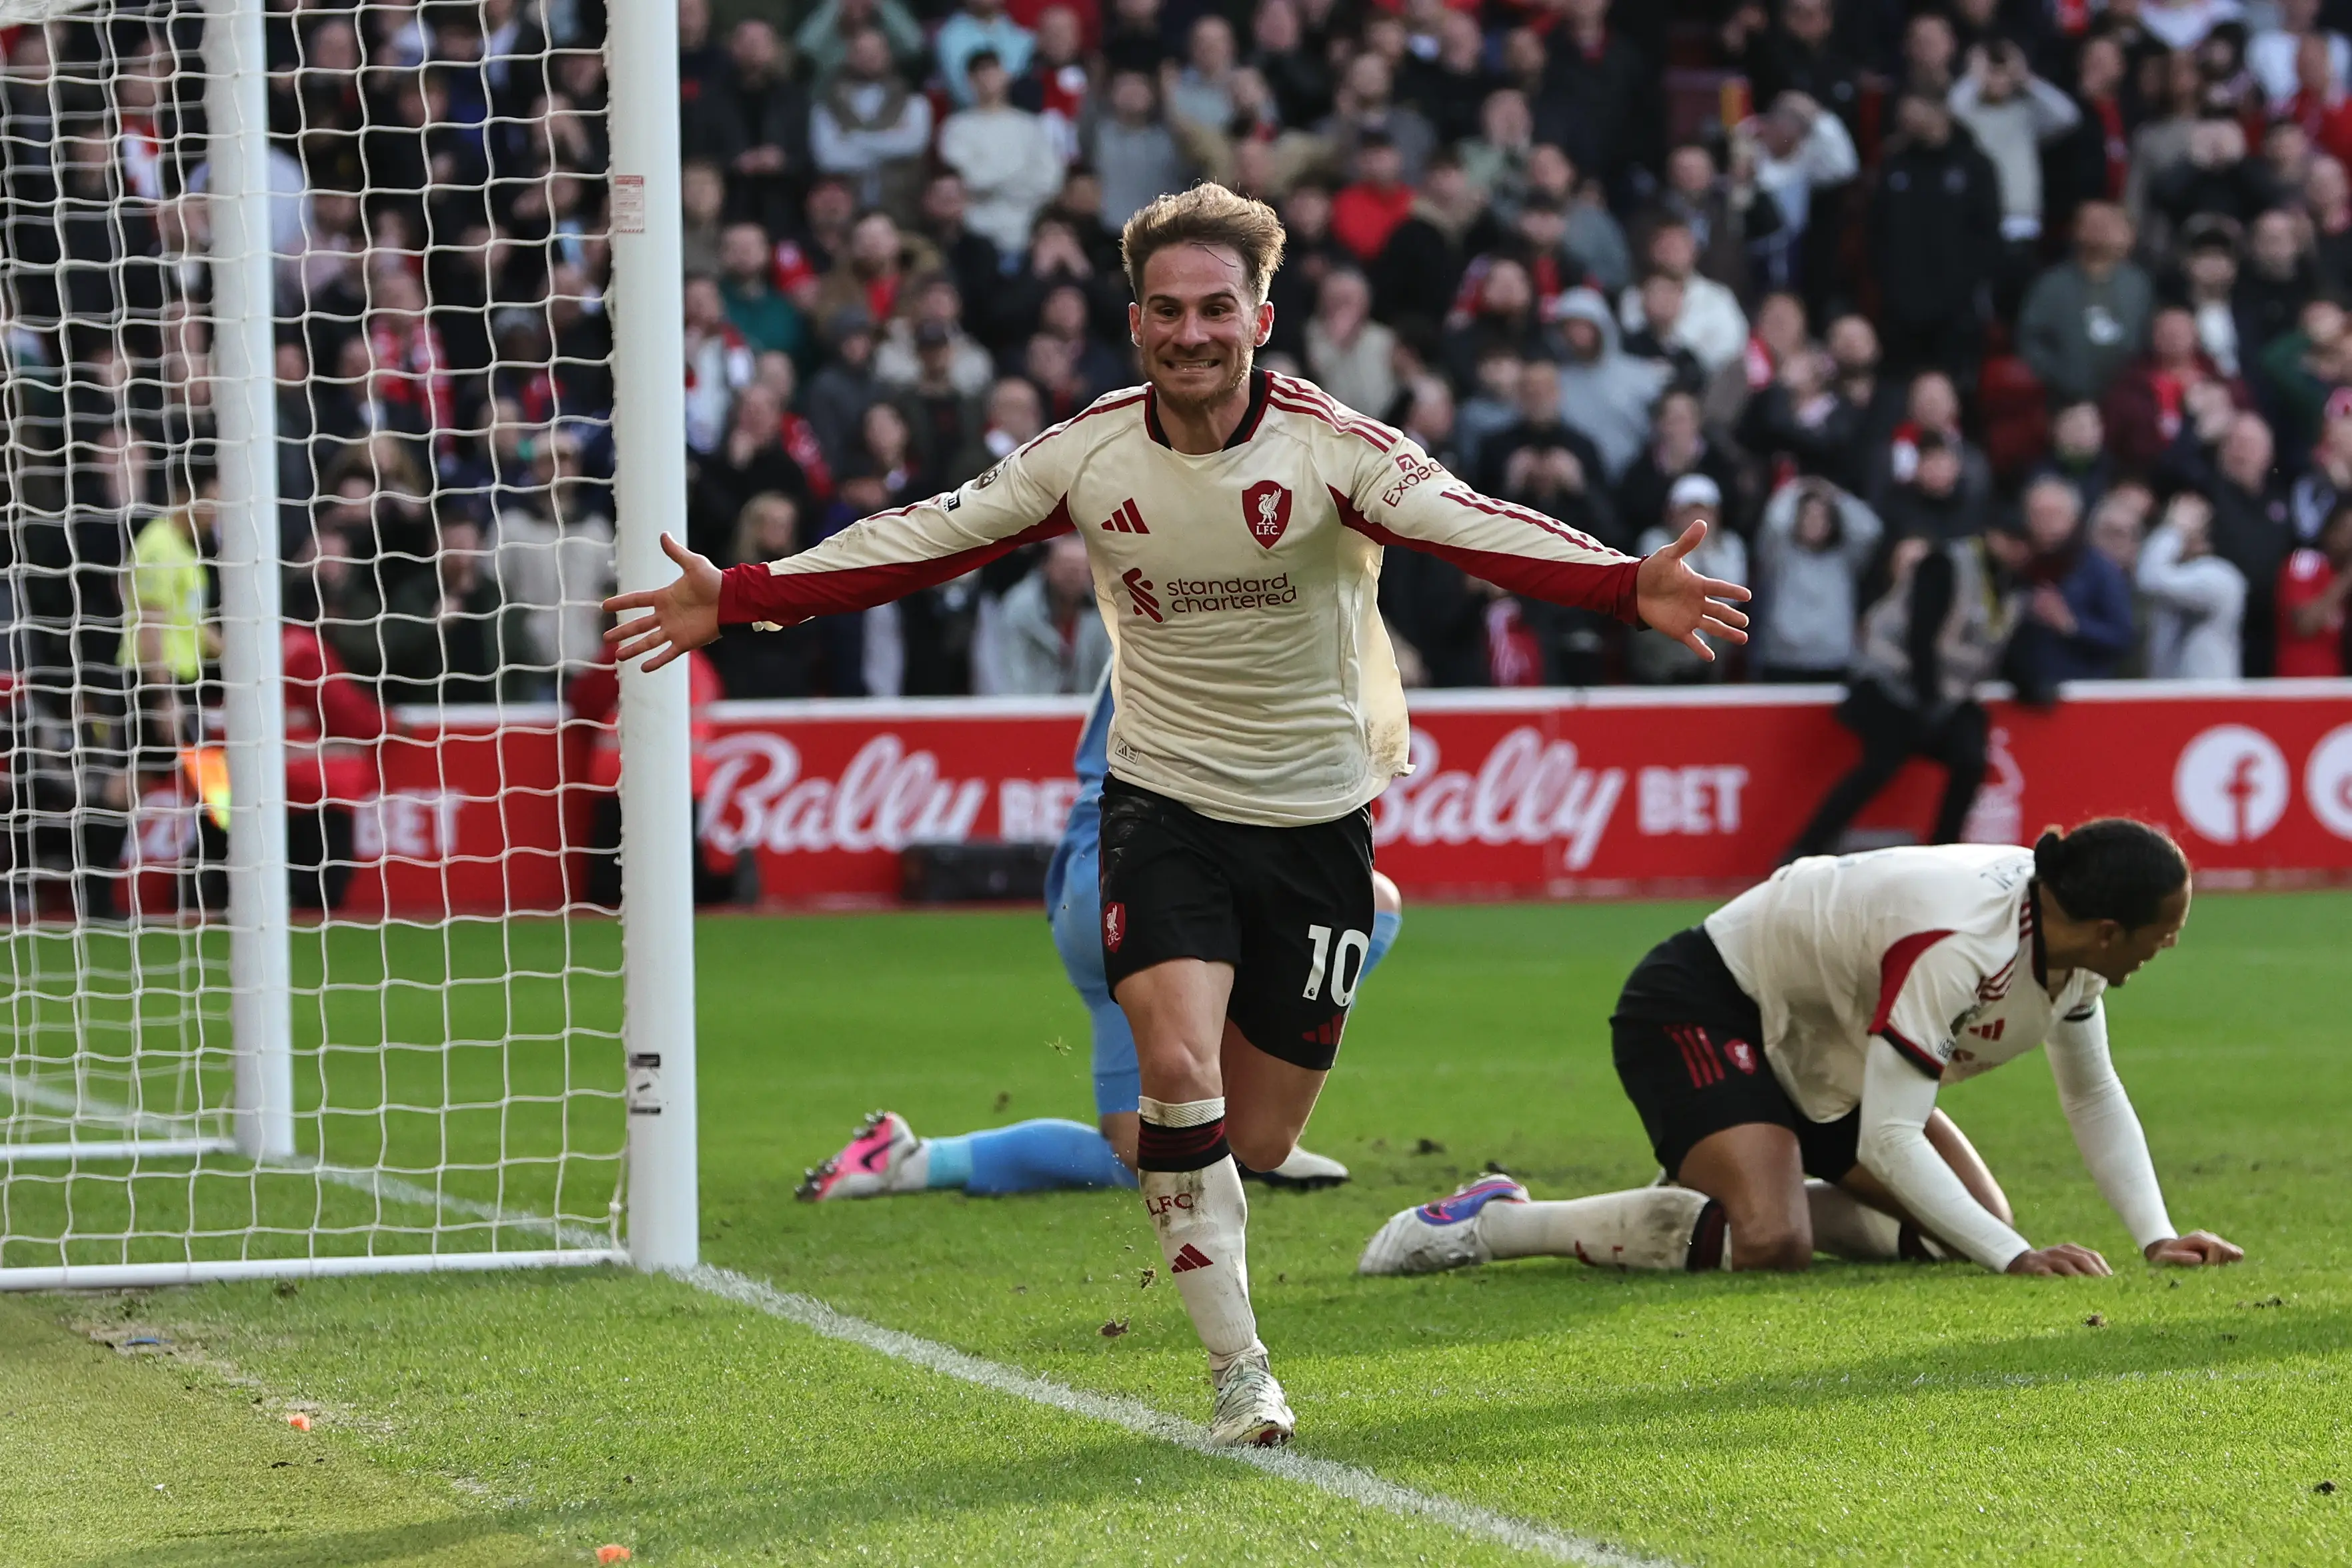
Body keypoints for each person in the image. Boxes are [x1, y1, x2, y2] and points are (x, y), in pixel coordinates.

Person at [604, 183, 1748, 1448]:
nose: (1190, 333)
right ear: (1134, 319)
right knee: (1177, 1073)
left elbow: (1473, 525)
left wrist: (1623, 582)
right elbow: (928, 536)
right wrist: (748, 593)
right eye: (1166, 310)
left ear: (1261, 316)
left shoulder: (1329, 450)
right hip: (1160, 804)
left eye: (1216, 309)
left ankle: (1329, 1199)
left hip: (1316, 823)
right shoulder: (1090, 452)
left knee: (1248, 1136)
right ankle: (1239, 1372)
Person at [1360, 823, 2245, 1280]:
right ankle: (1494, 1221)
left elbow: (2090, 1097)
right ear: (2105, 928)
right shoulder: (1956, 942)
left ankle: (1708, 1192)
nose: (2166, 945)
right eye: (2163, 931)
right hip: (1707, 1003)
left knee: (1956, 1234)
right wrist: (2013, 1260)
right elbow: (1890, 1142)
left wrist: (2153, 1237)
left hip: (1825, 1046)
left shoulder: (2072, 948)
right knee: (1772, 1239)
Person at [796, 675, 1384, 1201]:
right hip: (1156, 860)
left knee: (1144, 1151)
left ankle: (915, 1160)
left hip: (1087, 872)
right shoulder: (1242, 599)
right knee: (1374, 906)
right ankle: (1249, 1126)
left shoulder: (1153, 584)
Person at [1785, 529, 2024, 860]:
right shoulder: (1938, 571)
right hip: (1889, 689)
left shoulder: (2007, 587)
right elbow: (1916, 640)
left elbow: (1990, 648)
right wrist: (1930, 702)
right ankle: (1804, 850)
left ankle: (1945, 855)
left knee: (1970, 758)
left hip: (1941, 696)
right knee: (1880, 764)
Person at [2136, 491, 2247, 678]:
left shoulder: (2220, 576)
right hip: (2173, 696)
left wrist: (2175, 528)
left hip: (2209, 699)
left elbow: (2150, 580)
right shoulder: (2175, 571)